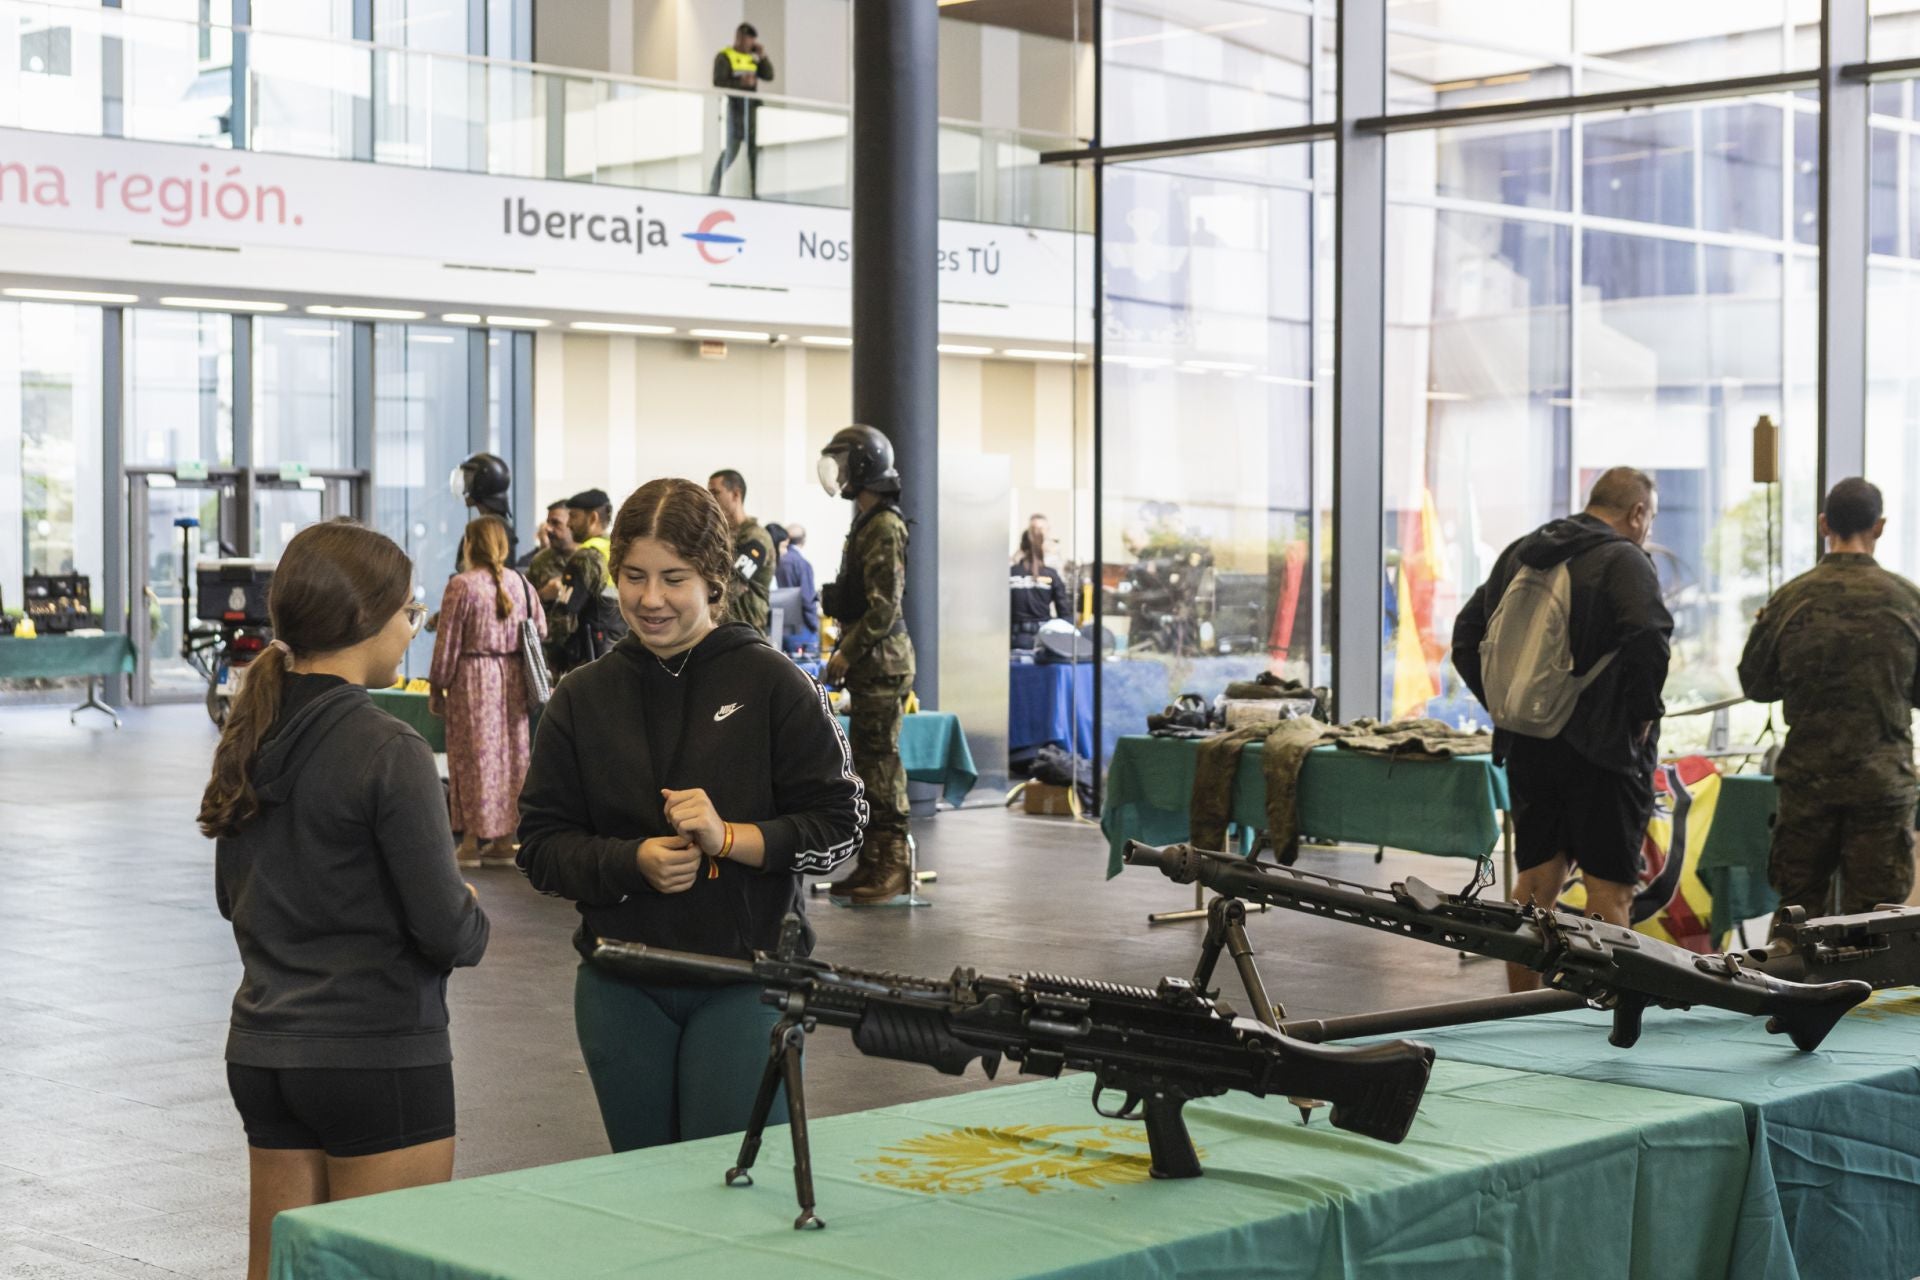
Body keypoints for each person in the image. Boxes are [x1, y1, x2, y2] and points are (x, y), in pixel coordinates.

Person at [518, 478, 863, 1153]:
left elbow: (841, 830)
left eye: (673, 578)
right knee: (644, 1194)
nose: (650, 600)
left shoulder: (776, 685)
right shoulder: (580, 698)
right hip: (619, 984)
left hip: (748, 981)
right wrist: (629, 861)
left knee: (728, 1195)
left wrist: (734, 838)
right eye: (634, 577)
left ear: (713, 578)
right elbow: (541, 847)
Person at [198, 520, 489, 1280]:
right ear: (368, 619)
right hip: (377, 1056)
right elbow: (446, 929)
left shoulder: (253, 731)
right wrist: (468, 909)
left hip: (265, 1054)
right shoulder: (388, 747)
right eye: (410, 614)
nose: (411, 631)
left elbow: (236, 898)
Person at [1451, 467, 1672, 991]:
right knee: (1609, 892)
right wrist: (1641, 716)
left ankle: (1515, 1012)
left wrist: (1507, 705)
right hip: (1605, 753)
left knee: (1533, 886)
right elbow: (1648, 635)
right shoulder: (1624, 559)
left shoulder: (1523, 551)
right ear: (1637, 513)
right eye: (1650, 519)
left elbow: (1465, 637)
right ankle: (1600, 1017)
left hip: (1530, 746)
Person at [1739, 478, 1920, 919]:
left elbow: (1756, 684)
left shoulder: (1791, 599)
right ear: (1879, 526)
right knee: (1879, 924)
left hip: (1808, 785)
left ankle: (1784, 990)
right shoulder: (1908, 601)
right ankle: (1871, 991)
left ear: (1825, 524)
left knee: (1798, 919)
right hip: (1881, 786)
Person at [819, 425, 917, 905]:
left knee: (881, 765)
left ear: (862, 467)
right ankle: (874, 861)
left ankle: (893, 865)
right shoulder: (867, 522)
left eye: (843, 463)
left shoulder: (884, 525)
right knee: (867, 764)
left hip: (882, 662)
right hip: (872, 663)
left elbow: (883, 606)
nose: (837, 473)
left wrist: (846, 652)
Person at [431, 516, 547, 868]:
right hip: (512, 678)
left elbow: (447, 642)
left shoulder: (461, 586)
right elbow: (539, 629)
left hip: (473, 679)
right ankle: (502, 841)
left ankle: (469, 842)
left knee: (473, 757)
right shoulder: (522, 583)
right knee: (512, 758)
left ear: (470, 545)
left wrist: (438, 684)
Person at [550, 488, 625, 676]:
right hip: (618, 653)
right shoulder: (617, 550)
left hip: (588, 660)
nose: (569, 524)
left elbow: (564, 616)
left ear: (592, 518)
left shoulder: (585, 557)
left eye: (573, 517)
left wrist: (551, 656)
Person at [706, 469, 776, 636]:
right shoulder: (720, 537)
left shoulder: (756, 538)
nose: (711, 500)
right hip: (722, 634)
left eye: (716, 493)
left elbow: (733, 583)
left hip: (747, 637)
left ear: (736, 495)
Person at [709, 23, 774, 197]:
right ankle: (714, 188)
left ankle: (753, 191)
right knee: (731, 150)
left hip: (751, 111)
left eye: (752, 39)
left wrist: (762, 56)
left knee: (753, 152)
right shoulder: (725, 57)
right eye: (747, 38)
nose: (750, 42)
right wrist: (741, 84)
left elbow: (769, 75)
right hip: (734, 110)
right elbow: (718, 82)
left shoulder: (753, 59)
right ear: (739, 37)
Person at [1010, 513, 1073, 650]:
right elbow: (1064, 612)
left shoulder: (1010, 572)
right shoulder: (1050, 573)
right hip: (1041, 638)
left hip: (1015, 638)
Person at [770, 521, 820, 652]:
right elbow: (807, 599)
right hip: (801, 630)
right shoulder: (802, 564)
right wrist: (814, 626)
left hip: (777, 628)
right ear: (803, 540)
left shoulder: (775, 561)